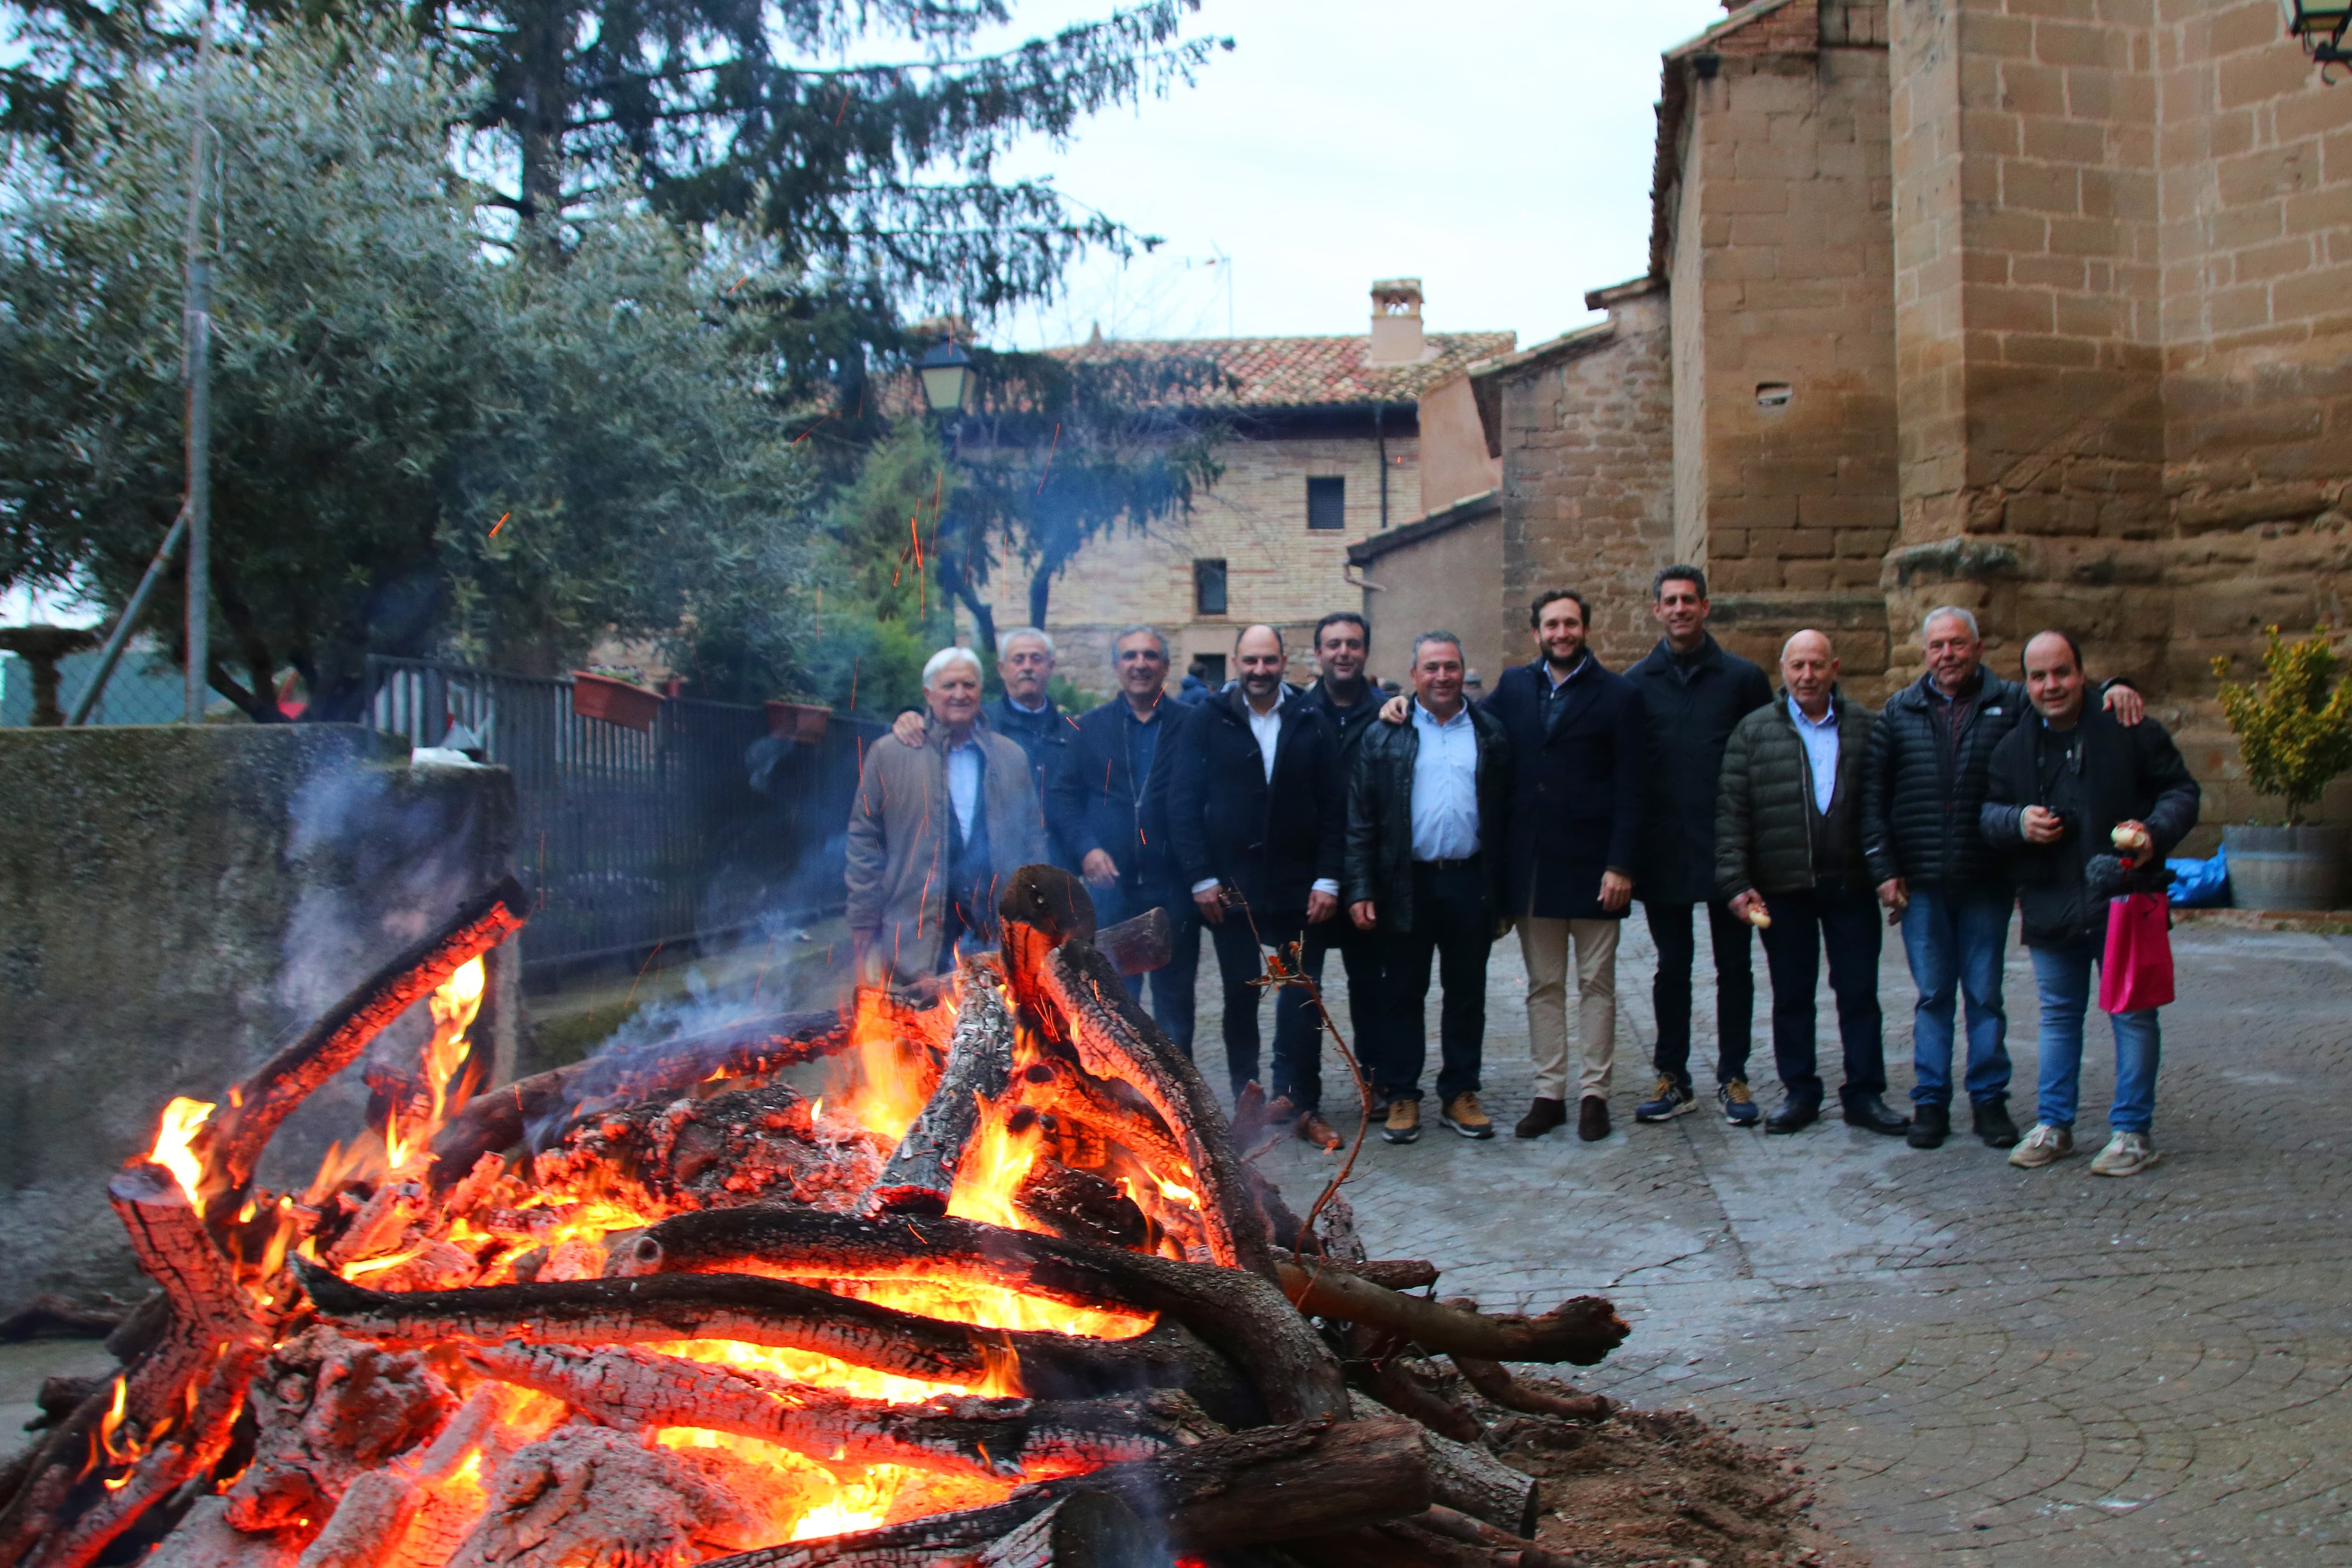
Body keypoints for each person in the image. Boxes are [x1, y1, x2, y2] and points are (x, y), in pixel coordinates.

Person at [1862, 605, 2145, 1151]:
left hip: (1987, 877)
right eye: (1937, 646)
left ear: (1977, 647)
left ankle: (1989, 1100)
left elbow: (2066, 700)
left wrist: (2117, 686)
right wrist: (1883, 869)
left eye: (1957, 644)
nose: (1947, 654)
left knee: (1985, 995)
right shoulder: (1899, 711)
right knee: (1931, 996)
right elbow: (1874, 801)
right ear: (1925, 654)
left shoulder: (2012, 702)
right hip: (1920, 880)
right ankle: (1930, 1101)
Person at [1983, 631, 2198, 1178]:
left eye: (2061, 673)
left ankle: (2131, 1132)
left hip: (2123, 899)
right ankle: (2053, 1124)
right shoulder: (2012, 747)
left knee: (2131, 1015)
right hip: (2050, 897)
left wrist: (2151, 832)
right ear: (2025, 682)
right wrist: (2016, 822)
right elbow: (1987, 814)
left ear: (2081, 674)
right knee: (2057, 1016)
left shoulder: (2129, 730)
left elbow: (2181, 793)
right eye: (2038, 676)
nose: (2050, 686)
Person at [1715, 631, 1909, 1135]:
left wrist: (1889, 871)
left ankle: (1864, 1094)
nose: (1807, 676)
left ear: (1834, 668)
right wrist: (1736, 881)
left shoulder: (1867, 728)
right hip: (1783, 885)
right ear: (1782, 669)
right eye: (1798, 665)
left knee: (1859, 993)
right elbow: (1732, 814)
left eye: (1817, 665)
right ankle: (1800, 1093)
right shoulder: (1753, 733)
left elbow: (1885, 806)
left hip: (1849, 883)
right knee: (1791, 996)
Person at [1167, 625, 1346, 1138]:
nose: (1260, 671)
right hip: (1230, 891)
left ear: (1284, 661)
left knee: (1299, 998)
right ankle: (1249, 1107)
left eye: (1269, 661)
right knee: (1240, 998)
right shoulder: (1206, 720)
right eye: (1250, 661)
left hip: (1298, 890)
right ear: (1235, 662)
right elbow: (1182, 804)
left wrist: (1328, 880)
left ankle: (1300, 1104)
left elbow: (1335, 807)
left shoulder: (1311, 718)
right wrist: (1200, 878)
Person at [1483, 589, 1646, 1143]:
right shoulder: (1512, 687)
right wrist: (1403, 705)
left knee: (1596, 984)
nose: (1560, 633)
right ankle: (1548, 1093)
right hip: (1533, 866)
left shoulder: (1619, 695)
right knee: (1543, 984)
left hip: (1597, 866)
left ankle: (1594, 1094)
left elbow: (1632, 787)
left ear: (1584, 629)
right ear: (1536, 633)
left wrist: (1621, 864)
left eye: (1570, 623)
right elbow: (1469, 727)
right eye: (1551, 624)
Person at [1345, 632, 1513, 1143]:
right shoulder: (1384, 734)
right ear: (1414, 675)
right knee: (1401, 993)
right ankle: (1401, 1096)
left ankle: (1459, 1092)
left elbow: (1505, 817)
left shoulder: (1489, 733)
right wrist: (1360, 889)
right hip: (1405, 883)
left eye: (1451, 666)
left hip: (1468, 880)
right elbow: (1362, 819)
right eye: (1431, 668)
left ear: (1464, 671)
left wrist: (1502, 893)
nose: (1442, 676)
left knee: (1466, 993)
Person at [1623, 565, 1774, 1128]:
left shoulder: (1742, 680)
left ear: (1705, 608)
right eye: (1670, 601)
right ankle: (1672, 1077)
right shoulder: (1635, 683)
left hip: (1728, 851)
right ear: (1656, 610)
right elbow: (1630, 772)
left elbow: (1760, 765)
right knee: (1671, 967)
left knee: (1735, 967)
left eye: (1690, 600)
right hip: (1663, 851)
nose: (1680, 609)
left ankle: (1733, 1076)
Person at [846, 647, 1049, 986]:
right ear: (928, 694)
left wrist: (1041, 911)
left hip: (994, 934)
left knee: (993, 1032)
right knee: (920, 1032)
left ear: (981, 692)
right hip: (916, 936)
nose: (960, 694)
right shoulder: (890, 754)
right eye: (949, 685)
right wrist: (863, 919)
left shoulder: (1011, 757)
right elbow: (864, 842)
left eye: (969, 685)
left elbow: (1033, 837)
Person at [1045, 626, 1202, 1051]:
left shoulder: (1192, 724)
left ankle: (1179, 1103)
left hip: (1173, 890)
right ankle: (1121, 1103)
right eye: (1130, 656)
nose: (1140, 664)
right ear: (1117, 666)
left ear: (1166, 666)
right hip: (1110, 892)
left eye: (1151, 656)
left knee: (1175, 1008)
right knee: (1114, 1004)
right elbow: (1061, 798)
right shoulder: (1089, 728)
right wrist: (1086, 849)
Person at [1296, 612, 1391, 1118]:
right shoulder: (1295, 711)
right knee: (1303, 989)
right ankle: (1301, 1096)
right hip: (1307, 874)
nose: (1343, 653)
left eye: (1352, 644)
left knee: (1370, 988)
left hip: (1365, 876)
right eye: (1333, 644)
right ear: (1317, 654)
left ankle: (1373, 1083)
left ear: (1365, 653)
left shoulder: (1387, 713)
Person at [889, 628, 1068, 850]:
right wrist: (911, 716)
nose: (1028, 668)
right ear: (1001, 669)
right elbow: (940, 722)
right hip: (987, 858)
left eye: (1036, 659)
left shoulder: (1074, 731)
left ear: (1052, 667)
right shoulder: (979, 725)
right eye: (1019, 660)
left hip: (1061, 856)